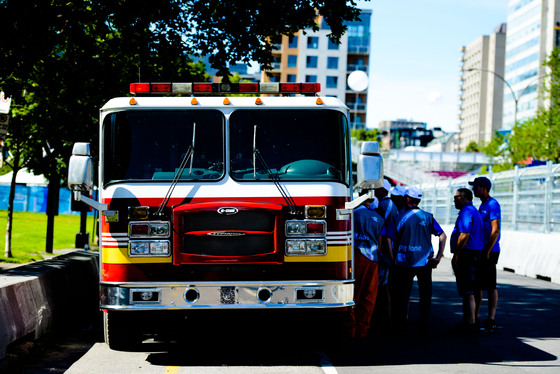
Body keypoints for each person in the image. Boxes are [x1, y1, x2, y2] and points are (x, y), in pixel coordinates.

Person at [390, 187, 447, 335]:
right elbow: (442, 236)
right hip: (425, 261)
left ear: (407, 199)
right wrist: (439, 256)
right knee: (425, 294)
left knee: (404, 294)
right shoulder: (428, 216)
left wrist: (392, 258)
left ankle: (402, 323)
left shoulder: (398, 216)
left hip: (405, 261)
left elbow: (388, 238)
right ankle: (424, 323)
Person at [346, 193, 385, 339]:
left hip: (354, 257)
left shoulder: (351, 214)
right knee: (368, 296)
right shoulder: (380, 218)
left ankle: (349, 329)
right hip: (372, 259)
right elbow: (380, 245)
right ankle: (362, 330)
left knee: (352, 294)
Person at [450, 188, 484, 336]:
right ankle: (471, 320)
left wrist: (457, 254)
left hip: (467, 254)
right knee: (472, 289)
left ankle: (470, 323)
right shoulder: (474, 211)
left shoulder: (466, 212)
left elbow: (464, 234)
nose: (454, 200)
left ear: (463, 197)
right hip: (476, 254)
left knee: (467, 290)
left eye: (456, 197)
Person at [469, 176, 501, 334]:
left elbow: (496, 230)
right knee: (478, 285)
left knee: (490, 286)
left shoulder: (492, 204)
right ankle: (475, 317)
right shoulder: (482, 205)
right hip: (481, 250)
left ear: (483, 187)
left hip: (490, 251)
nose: (473, 189)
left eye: (475, 186)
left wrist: (487, 250)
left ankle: (491, 318)